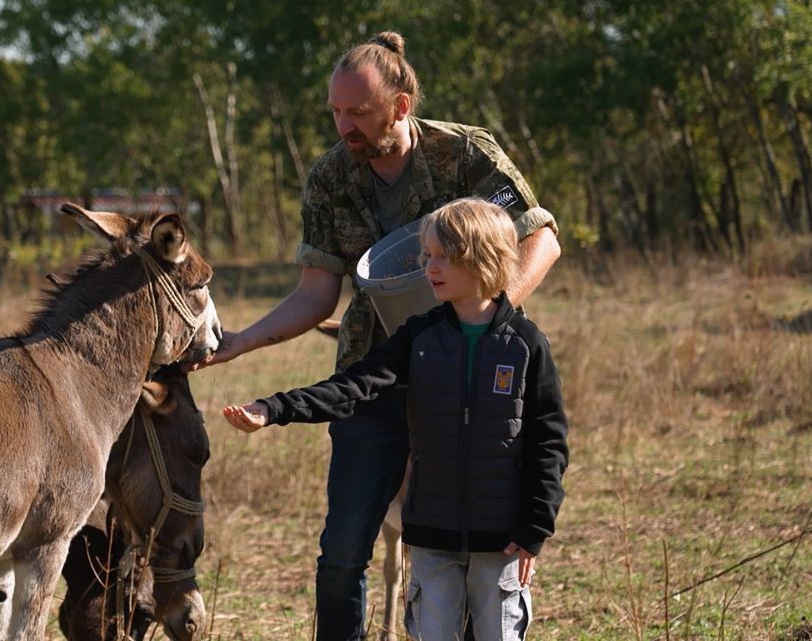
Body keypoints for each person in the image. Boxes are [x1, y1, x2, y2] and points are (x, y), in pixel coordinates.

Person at [190, 31, 561, 640]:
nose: (344, 126)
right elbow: (317, 293)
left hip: (464, 380)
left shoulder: (465, 153)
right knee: (342, 552)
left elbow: (540, 237)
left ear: (401, 105)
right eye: (335, 111)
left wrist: (480, 322)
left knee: (472, 545)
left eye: (358, 112)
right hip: (376, 370)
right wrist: (240, 343)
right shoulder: (330, 178)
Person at [223, 198, 569, 640]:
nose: (430, 268)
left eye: (445, 256)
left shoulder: (526, 345)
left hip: (501, 545)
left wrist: (534, 529)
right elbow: (353, 386)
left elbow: (549, 443)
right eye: (428, 256)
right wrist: (273, 408)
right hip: (430, 542)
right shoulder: (419, 337)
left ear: (482, 259)